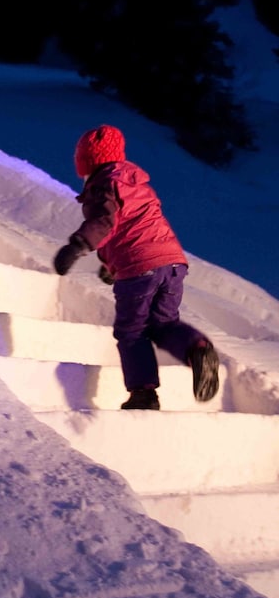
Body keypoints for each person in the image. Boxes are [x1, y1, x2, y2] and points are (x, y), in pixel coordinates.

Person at [53, 124, 220, 410]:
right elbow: (133, 228)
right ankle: (197, 349)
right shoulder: (135, 184)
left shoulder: (103, 185)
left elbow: (104, 222)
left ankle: (143, 393)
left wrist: (77, 246)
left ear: (88, 162)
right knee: (164, 324)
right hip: (172, 262)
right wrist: (111, 265)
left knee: (132, 331)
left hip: (139, 268)